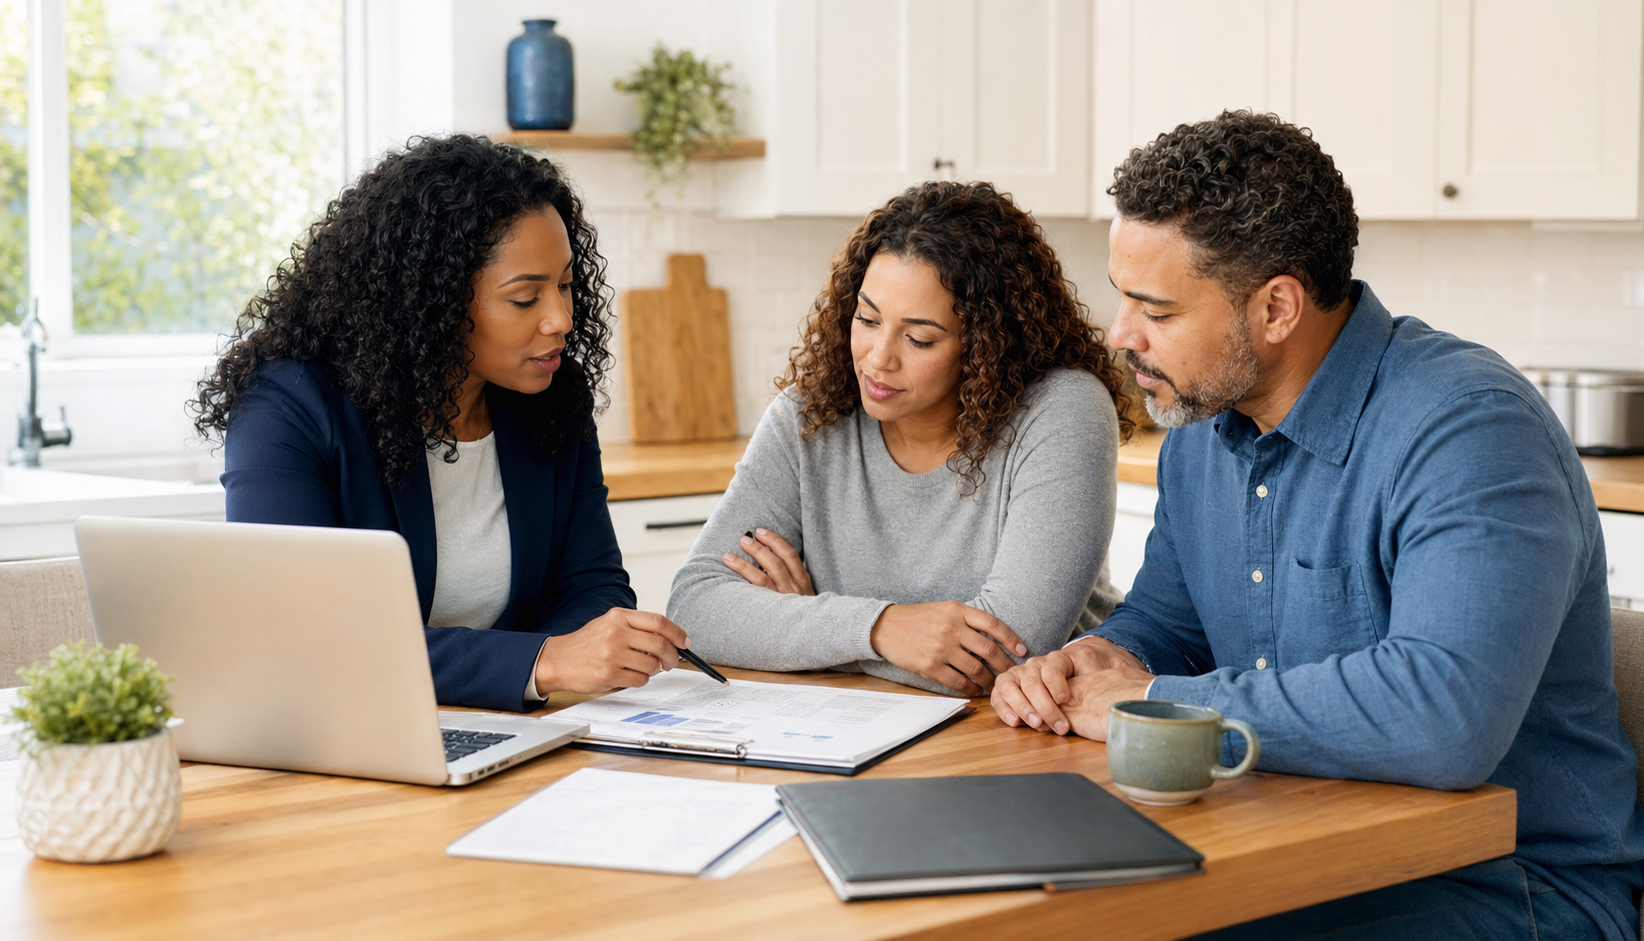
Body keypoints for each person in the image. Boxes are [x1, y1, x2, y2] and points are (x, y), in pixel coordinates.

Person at [992, 111, 1644, 939]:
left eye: (1154, 309)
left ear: (1276, 309)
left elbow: (1443, 717)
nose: (1121, 334)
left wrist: (1153, 699)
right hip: (1294, 845)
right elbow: (1169, 624)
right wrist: (1101, 659)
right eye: (1122, 296)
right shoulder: (1200, 433)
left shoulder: (1470, 430)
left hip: (1507, 885)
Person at [191, 135, 689, 713]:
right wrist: (542, 662)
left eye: (567, 285)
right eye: (525, 299)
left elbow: (590, 586)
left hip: (514, 730)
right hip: (346, 737)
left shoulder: (553, 397)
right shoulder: (290, 406)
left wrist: (587, 650)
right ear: (433, 301)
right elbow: (306, 638)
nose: (560, 319)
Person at [667, 181, 1137, 697]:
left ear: (988, 344)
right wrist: (877, 629)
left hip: (1028, 735)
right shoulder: (808, 416)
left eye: (919, 338)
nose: (878, 357)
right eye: (867, 319)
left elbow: (1003, 656)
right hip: (859, 725)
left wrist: (802, 625)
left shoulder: (1062, 409)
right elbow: (695, 609)